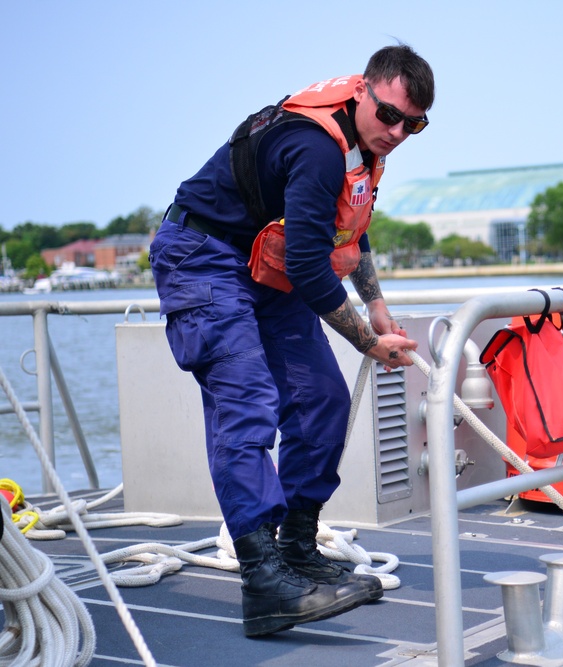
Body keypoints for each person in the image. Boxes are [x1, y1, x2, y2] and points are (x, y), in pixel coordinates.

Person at [148, 44, 434, 637]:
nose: (398, 132)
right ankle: (264, 580)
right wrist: (365, 341)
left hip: (260, 265)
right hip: (202, 256)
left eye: (414, 124)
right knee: (248, 402)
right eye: (389, 116)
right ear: (361, 91)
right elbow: (307, 264)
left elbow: (348, 230)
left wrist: (377, 307)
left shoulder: (362, 148)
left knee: (322, 398)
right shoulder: (315, 146)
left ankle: (298, 547)